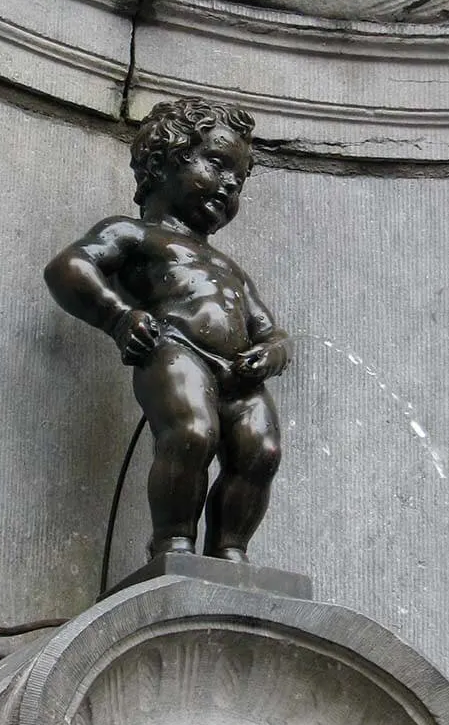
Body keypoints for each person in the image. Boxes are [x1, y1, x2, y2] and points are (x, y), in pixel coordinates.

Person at [44, 97, 290, 562]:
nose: (229, 184)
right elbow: (69, 267)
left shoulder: (227, 267)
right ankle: (173, 542)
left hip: (238, 373)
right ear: (163, 161)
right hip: (174, 348)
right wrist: (118, 318)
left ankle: (230, 551)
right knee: (192, 432)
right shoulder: (134, 235)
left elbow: (267, 329)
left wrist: (273, 352)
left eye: (238, 179)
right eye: (217, 164)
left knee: (262, 450)